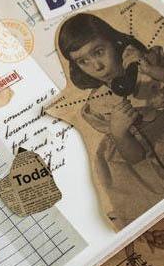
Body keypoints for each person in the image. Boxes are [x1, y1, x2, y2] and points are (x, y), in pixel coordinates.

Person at [58, 13, 164, 228]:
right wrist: (119, 133)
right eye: (83, 62)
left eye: (99, 52)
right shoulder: (99, 106)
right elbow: (136, 158)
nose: (97, 67)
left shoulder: (150, 62)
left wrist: (151, 71)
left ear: (116, 43)